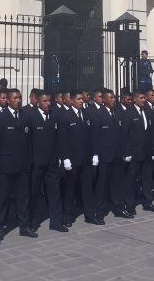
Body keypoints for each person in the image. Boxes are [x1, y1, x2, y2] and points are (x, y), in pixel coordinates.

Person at [0, 88, 34, 242]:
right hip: (6, 164)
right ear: (7, 100)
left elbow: (30, 141)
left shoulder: (25, 116)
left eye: (20, 98)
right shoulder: (0, 118)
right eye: (15, 98)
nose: (18, 100)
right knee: (2, 198)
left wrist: (29, 161)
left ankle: (24, 226)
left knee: (23, 197)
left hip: (23, 165)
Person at [23, 90, 67, 233]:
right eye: (45, 101)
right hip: (36, 163)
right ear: (37, 102)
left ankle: (56, 222)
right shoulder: (30, 115)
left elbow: (60, 138)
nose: (48, 104)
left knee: (54, 192)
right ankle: (33, 222)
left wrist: (61, 157)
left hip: (52, 162)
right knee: (33, 194)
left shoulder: (55, 115)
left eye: (50, 101)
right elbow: (27, 142)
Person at [59, 90, 96, 226]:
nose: (82, 101)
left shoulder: (85, 114)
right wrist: (65, 158)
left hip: (86, 158)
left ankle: (90, 215)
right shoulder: (65, 116)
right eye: (79, 99)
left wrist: (94, 154)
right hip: (72, 159)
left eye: (82, 99)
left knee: (87, 188)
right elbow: (62, 139)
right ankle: (67, 216)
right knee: (70, 189)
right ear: (72, 101)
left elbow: (91, 137)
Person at [121, 90, 154, 213]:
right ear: (135, 99)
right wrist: (127, 153)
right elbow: (124, 135)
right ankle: (130, 205)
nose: (144, 100)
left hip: (147, 153)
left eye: (144, 98)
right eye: (142, 98)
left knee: (147, 179)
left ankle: (148, 202)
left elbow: (152, 133)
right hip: (134, 153)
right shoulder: (128, 113)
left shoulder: (147, 112)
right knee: (131, 180)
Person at [89, 89, 124, 219]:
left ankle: (118, 208)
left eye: (114, 97)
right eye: (110, 98)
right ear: (103, 100)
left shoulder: (117, 112)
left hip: (116, 155)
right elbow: (95, 137)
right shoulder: (98, 114)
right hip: (104, 156)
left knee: (116, 183)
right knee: (102, 185)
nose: (113, 100)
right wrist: (96, 154)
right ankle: (100, 211)